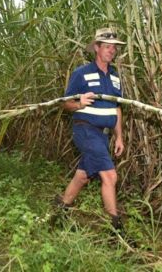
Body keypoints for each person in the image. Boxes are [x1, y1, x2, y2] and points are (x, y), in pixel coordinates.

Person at [54, 27, 129, 238]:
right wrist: (79, 103)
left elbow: (117, 108)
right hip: (85, 130)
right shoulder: (81, 73)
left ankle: (61, 209)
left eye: (114, 47)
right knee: (110, 175)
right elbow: (64, 104)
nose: (111, 51)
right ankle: (117, 231)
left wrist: (119, 135)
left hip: (103, 134)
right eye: (107, 47)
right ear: (96, 48)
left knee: (84, 176)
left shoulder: (115, 77)